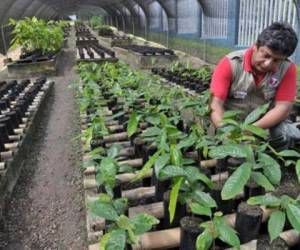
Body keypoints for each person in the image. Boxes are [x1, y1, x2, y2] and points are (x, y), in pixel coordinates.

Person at [209, 22, 300, 148]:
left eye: (276, 60)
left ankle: (275, 160)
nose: (267, 63)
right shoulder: (231, 64)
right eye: (266, 55)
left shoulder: (287, 69)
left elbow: (283, 108)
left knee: (288, 133)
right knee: (228, 153)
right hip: (231, 124)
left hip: (263, 125)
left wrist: (251, 130)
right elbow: (215, 104)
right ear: (255, 46)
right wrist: (227, 131)